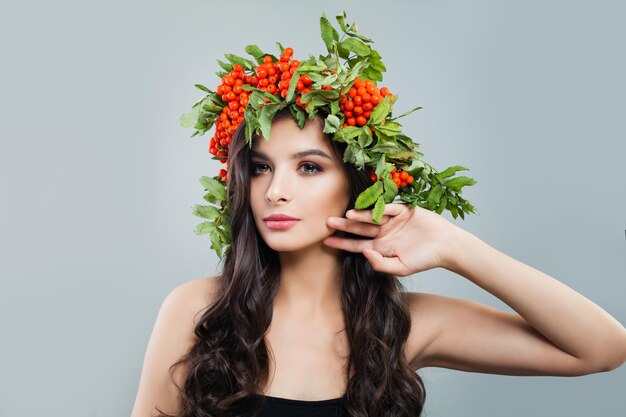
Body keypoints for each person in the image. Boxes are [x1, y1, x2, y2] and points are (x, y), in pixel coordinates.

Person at [130, 107, 626, 417]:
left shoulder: (403, 325)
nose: (275, 191)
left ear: (356, 183)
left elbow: (602, 348)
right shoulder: (198, 309)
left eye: (308, 167)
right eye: (260, 168)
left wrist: (455, 248)